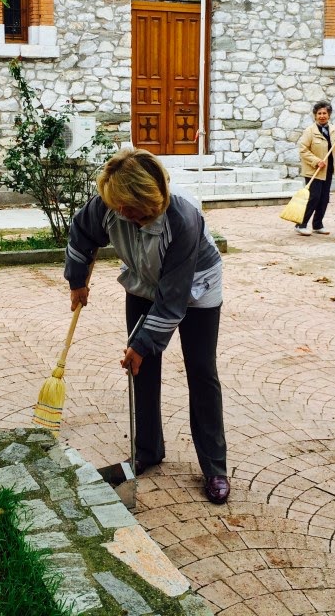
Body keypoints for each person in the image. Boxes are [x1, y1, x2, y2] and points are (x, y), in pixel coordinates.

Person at [64, 148, 230, 504]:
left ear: (149, 200)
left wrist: (142, 343)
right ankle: (148, 450)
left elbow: (173, 298)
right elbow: (82, 233)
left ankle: (215, 466)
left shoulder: (183, 219)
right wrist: (77, 281)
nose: (122, 214)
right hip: (142, 280)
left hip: (195, 286)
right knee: (141, 370)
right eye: (118, 208)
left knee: (201, 370)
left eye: (130, 210)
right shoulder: (110, 205)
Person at [295, 101, 335, 235]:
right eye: (319, 113)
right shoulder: (309, 131)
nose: (322, 116)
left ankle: (318, 225)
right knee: (314, 197)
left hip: (328, 170)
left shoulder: (334, 130)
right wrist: (316, 161)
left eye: (325, 113)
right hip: (314, 170)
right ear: (315, 116)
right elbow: (303, 150)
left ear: (329, 115)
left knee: (324, 198)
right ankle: (301, 224)